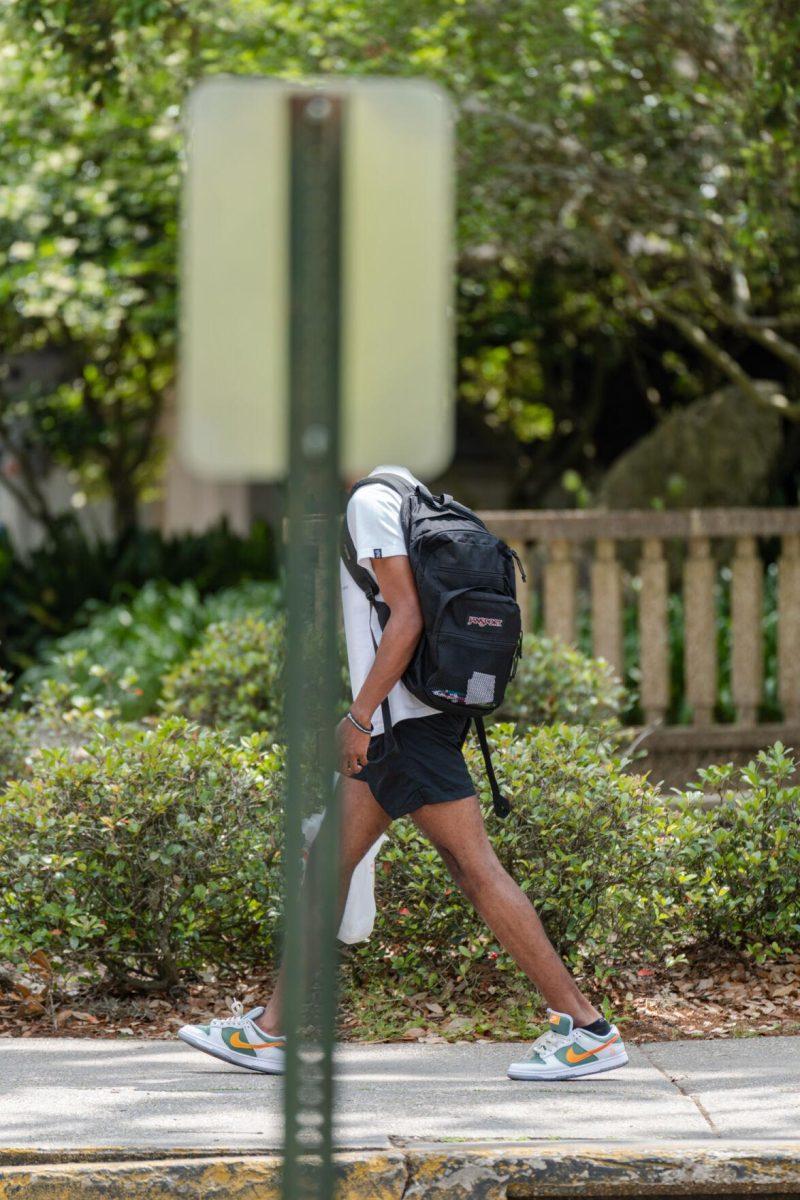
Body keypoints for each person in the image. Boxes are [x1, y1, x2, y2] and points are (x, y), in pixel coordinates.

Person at [178, 465, 628, 1081]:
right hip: (415, 719)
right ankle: (268, 1032)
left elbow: (408, 615)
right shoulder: (407, 493)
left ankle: (587, 1026)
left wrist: (359, 716)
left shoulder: (369, 503)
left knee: (476, 870)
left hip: (403, 724)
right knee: (329, 862)